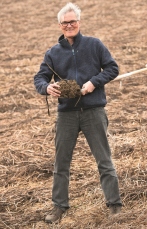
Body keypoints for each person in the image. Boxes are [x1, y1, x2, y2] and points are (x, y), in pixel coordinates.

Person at [34, 2, 122, 223]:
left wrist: (94, 82)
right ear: (60, 25)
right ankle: (59, 206)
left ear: (79, 22)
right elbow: (40, 78)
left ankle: (114, 205)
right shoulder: (53, 53)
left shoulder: (94, 45)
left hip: (94, 111)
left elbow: (112, 68)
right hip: (66, 114)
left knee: (104, 160)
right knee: (61, 162)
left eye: (73, 21)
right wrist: (47, 87)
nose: (69, 25)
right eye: (65, 23)